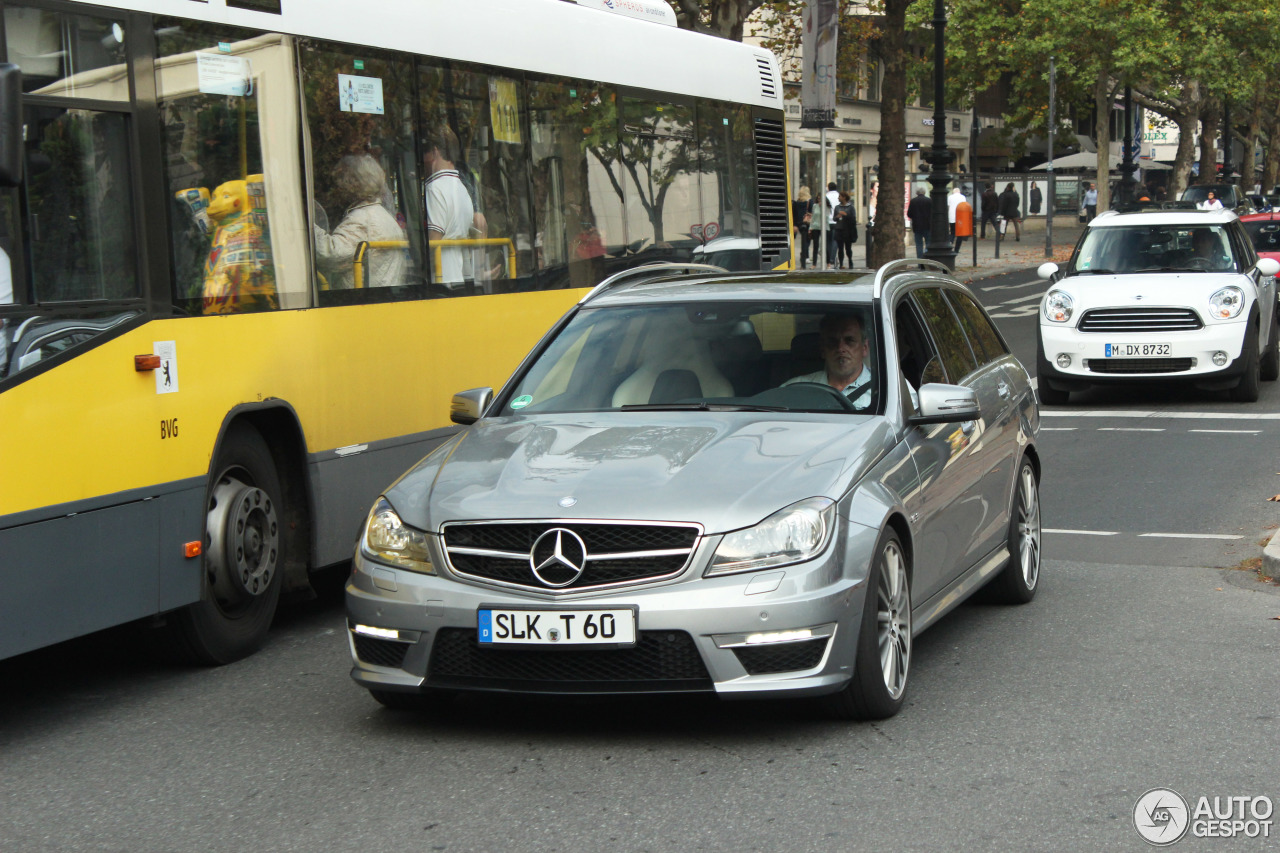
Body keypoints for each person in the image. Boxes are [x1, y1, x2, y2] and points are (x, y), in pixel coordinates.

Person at [314, 155, 407, 290]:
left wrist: (305, 224)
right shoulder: (384, 215)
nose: (338, 189)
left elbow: (330, 254)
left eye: (340, 182)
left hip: (360, 301)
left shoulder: (362, 218)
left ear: (353, 184)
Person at [422, 128, 475, 288]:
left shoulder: (434, 188)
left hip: (441, 278)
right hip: (461, 274)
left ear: (435, 152)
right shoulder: (462, 187)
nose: (423, 160)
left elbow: (434, 240)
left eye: (425, 153)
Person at [783, 312, 873, 408]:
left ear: (864, 348)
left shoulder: (883, 392)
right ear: (823, 350)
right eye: (833, 341)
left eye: (849, 340)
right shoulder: (796, 388)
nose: (840, 348)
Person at [833, 190, 858, 268]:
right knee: (840, 248)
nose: (838, 198)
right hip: (839, 229)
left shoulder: (850, 207)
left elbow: (853, 219)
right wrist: (837, 217)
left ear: (844, 197)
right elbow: (834, 218)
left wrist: (845, 215)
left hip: (847, 230)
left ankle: (850, 260)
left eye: (840, 196)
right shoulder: (837, 207)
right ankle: (841, 263)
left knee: (848, 247)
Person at [907, 186, 931, 258]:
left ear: (916, 192)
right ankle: (927, 260)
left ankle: (920, 261)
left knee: (919, 245)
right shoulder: (929, 201)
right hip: (928, 225)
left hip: (917, 226)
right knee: (928, 243)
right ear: (924, 192)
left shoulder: (913, 201)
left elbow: (909, 214)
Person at [793, 186, 815, 269]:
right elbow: (812, 212)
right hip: (807, 223)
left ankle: (805, 257)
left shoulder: (797, 202)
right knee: (807, 241)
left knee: (804, 240)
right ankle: (804, 256)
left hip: (799, 223)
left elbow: (794, 214)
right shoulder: (810, 201)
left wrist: (795, 224)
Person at [824, 181, 840, 266]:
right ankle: (832, 258)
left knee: (828, 241)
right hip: (836, 221)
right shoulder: (839, 196)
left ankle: (829, 260)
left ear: (828, 188)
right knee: (835, 241)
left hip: (827, 221)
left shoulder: (826, 196)